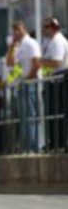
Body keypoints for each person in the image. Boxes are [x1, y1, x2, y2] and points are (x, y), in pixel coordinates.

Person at [7, 21, 42, 152]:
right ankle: (27, 147)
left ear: (24, 29)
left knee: (30, 117)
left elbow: (37, 64)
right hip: (22, 86)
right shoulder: (19, 46)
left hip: (30, 85)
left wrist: (27, 80)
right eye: (14, 30)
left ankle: (33, 147)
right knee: (24, 118)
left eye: (18, 29)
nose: (16, 32)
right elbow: (10, 63)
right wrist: (11, 47)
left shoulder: (31, 43)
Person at [41, 18, 68, 150]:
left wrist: (40, 62)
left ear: (51, 28)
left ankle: (58, 142)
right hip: (55, 80)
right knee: (53, 113)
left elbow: (57, 62)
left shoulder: (57, 41)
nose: (43, 30)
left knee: (57, 112)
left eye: (45, 27)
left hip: (59, 81)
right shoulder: (52, 41)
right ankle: (55, 141)